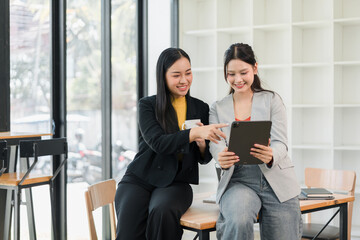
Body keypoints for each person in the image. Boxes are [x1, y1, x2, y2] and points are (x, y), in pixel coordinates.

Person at [115, 47, 227, 240]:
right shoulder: (147, 106)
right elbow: (158, 143)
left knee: (162, 211)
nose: (184, 80)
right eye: (176, 75)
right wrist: (192, 133)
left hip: (177, 183)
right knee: (129, 228)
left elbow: (204, 158)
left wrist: (201, 144)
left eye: (188, 73)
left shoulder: (200, 107)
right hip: (139, 178)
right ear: (163, 76)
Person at [209, 43, 302, 240]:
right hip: (238, 180)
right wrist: (220, 157)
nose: (238, 79)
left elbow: (281, 143)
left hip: (276, 178)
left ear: (255, 68)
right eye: (231, 74)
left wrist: (271, 155)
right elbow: (215, 144)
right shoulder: (217, 108)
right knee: (238, 220)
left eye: (243, 72)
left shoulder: (272, 100)